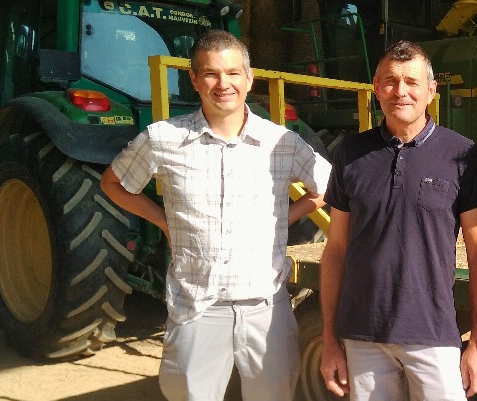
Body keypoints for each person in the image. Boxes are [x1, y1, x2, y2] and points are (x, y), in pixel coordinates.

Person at [100, 30, 331, 401]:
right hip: (197, 309)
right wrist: (161, 220)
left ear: (249, 78)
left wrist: (284, 218)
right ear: (194, 80)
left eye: (233, 73)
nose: (223, 84)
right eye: (210, 73)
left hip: (266, 310)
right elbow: (113, 183)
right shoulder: (163, 138)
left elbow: (329, 187)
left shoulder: (281, 142)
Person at [318, 40, 477, 401]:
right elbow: (335, 249)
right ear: (376, 88)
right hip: (363, 336)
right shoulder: (351, 154)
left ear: (431, 90)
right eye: (391, 81)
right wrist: (329, 338)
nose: (401, 91)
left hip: (433, 334)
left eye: (412, 82)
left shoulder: (461, 154)